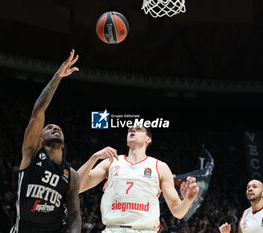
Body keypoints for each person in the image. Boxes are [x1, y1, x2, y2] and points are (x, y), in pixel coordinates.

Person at [10, 49, 81, 233]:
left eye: (59, 129)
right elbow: (38, 111)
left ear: (64, 143)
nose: (55, 128)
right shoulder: (31, 154)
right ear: (40, 140)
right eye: (49, 127)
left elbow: (74, 214)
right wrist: (58, 76)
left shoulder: (71, 175)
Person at [78, 126, 199, 233]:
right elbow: (76, 187)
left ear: (148, 139)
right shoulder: (111, 162)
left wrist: (187, 201)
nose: (132, 129)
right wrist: (94, 158)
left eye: (138, 129)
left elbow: (178, 212)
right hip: (113, 229)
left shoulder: (160, 166)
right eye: (130, 129)